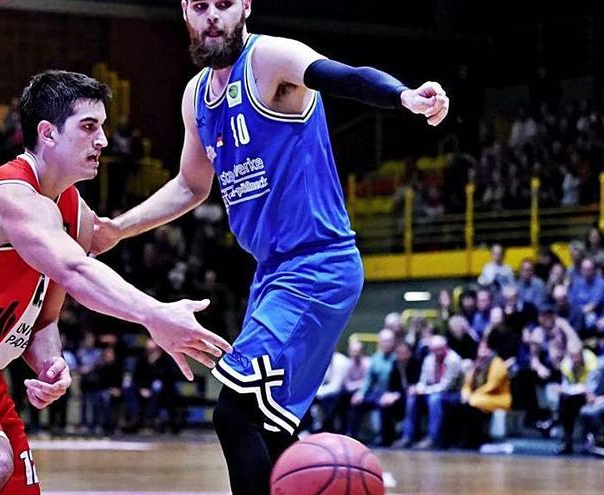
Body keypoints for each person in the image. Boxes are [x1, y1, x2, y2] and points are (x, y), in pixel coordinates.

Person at [91, 2, 449, 492]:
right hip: (272, 272)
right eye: (201, 6)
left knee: (233, 414)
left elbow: (343, 75)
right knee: (272, 430)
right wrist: (118, 229)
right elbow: (190, 186)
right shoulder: (195, 96)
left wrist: (404, 97)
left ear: (245, 7)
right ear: (185, 13)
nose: (212, 15)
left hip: (317, 265)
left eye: (224, 3)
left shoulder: (270, 60)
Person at [0, 71, 231, 495]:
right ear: (47, 133)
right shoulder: (11, 197)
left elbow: (44, 318)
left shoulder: (73, 211)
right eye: (89, 127)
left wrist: (50, 365)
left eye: (104, 128)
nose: (103, 142)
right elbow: (76, 272)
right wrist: (154, 314)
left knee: (19, 487)